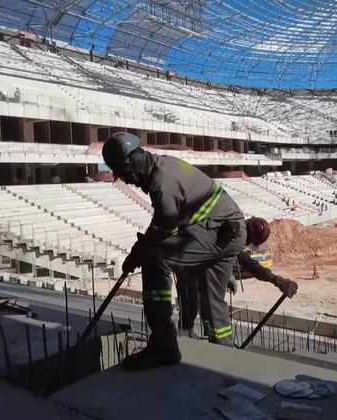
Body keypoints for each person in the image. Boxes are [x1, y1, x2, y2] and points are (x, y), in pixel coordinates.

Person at [102, 132, 246, 370]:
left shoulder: (161, 182)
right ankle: (225, 357)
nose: (126, 180)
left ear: (131, 163)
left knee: (156, 260)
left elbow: (165, 228)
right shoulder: (162, 166)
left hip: (217, 230)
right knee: (213, 301)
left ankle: (163, 346)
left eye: (122, 173)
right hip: (229, 230)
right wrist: (143, 245)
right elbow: (164, 224)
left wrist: (138, 252)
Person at [177, 217, 299, 337]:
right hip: (188, 263)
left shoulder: (237, 230)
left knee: (201, 303)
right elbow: (239, 260)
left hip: (197, 264)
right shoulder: (232, 232)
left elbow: (249, 264)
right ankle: (188, 338)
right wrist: (228, 274)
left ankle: (197, 333)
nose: (247, 244)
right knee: (192, 305)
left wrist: (274, 279)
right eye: (250, 242)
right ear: (250, 235)